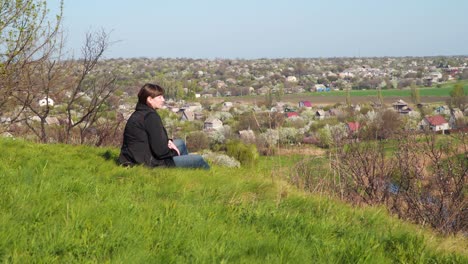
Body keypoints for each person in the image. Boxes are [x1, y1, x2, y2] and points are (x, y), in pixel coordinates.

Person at [119, 83, 210, 169]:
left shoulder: (140, 113)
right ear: (149, 99)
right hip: (147, 163)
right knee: (198, 160)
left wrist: (167, 141)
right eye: (159, 97)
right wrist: (174, 152)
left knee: (180, 144)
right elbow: (160, 152)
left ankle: (183, 174)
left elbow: (153, 138)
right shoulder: (150, 116)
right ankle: (208, 179)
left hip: (133, 158)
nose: (163, 99)